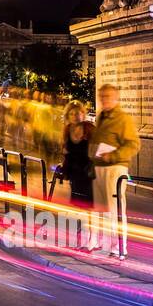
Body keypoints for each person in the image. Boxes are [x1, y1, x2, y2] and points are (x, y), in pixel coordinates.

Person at [90, 84, 139, 258]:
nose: (104, 99)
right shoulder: (101, 117)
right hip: (99, 168)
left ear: (116, 98)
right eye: (102, 96)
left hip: (115, 168)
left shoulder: (123, 119)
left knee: (114, 209)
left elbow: (134, 144)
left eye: (108, 96)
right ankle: (103, 243)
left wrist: (112, 156)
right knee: (101, 210)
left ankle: (119, 247)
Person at [60, 101, 95, 249]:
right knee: (78, 207)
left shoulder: (89, 129)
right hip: (74, 173)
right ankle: (79, 240)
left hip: (88, 173)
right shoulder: (67, 130)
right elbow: (64, 149)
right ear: (68, 115)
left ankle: (90, 240)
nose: (75, 116)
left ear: (83, 113)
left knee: (88, 208)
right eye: (72, 113)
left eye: (78, 113)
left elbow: (98, 147)